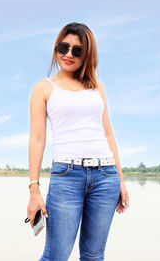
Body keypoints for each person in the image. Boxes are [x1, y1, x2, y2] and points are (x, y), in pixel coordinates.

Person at [27, 22, 129, 261]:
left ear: (88, 55)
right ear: (56, 49)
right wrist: (34, 189)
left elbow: (108, 133)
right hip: (66, 176)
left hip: (105, 177)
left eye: (77, 50)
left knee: (94, 256)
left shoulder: (97, 88)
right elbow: (37, 139)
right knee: (56, 256)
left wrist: (121, 180)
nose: (69, 54)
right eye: (64, 47)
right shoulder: (44, 88)